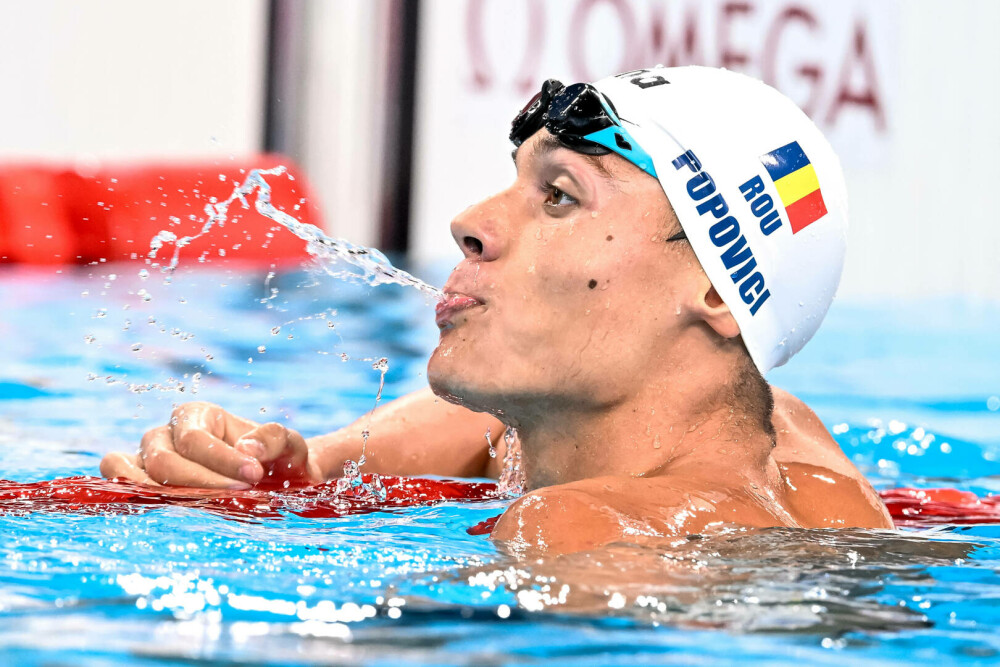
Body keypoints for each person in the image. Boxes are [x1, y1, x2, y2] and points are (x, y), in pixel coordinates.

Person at [101, 66, 893, 555]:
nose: (471, 221)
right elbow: (494, 432)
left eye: (559, 195)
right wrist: (320, 466)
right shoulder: (787, 448)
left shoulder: (577, 530)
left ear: (716, 289)